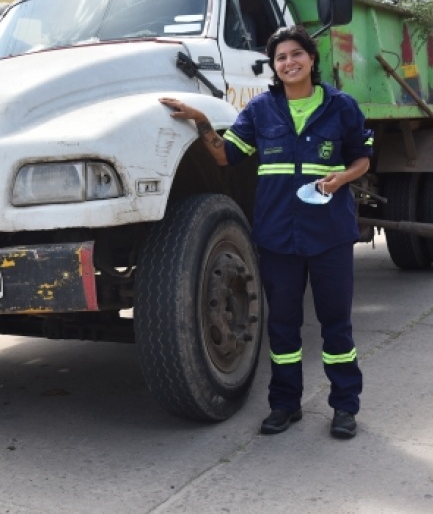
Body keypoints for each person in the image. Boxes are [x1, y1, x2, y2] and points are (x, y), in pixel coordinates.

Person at [159, 24, 373, 439]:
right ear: (274, 67)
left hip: (329, 233)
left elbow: (362, 159)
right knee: (283, 327)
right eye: (280, 58)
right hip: (278, 236)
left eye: (296, 54)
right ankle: (285, 404)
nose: (289, 62)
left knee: (337, 326)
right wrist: (204, 122)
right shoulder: (260, 111)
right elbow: (226, 156)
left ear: (311, 59)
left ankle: (345, 407)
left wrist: (341, 179)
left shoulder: (341, 107)